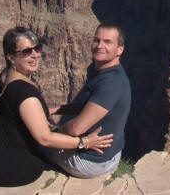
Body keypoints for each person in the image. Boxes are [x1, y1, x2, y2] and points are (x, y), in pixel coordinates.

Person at [0, 27, 113, 187]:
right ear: (10, 56)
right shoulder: (25, 92)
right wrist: (84, 142)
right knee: (53, 147)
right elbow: (45, 139)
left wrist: (62, 109)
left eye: (37, 48)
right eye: (26, 51)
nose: (35, 55)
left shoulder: (5, 75)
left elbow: (18, 111)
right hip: (9, 170)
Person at [44, 22, 131, 178]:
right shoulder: (106, 72)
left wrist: (54, 133)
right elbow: (85, 106)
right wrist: (54, 109)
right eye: (97, 40)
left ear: (120, 50)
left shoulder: (110, 83)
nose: (99, 45)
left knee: (36, 141)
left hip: (91, 162)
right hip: (110, 154)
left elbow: (75, 129)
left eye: (107, 42)